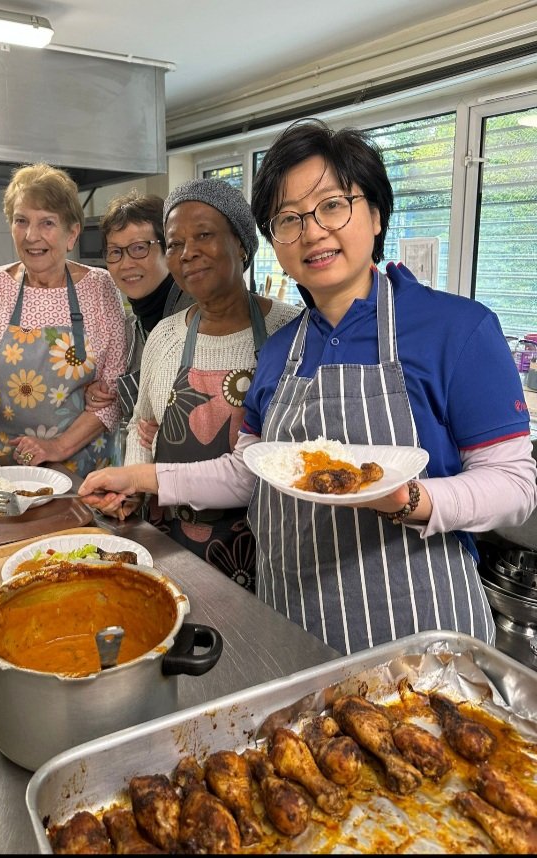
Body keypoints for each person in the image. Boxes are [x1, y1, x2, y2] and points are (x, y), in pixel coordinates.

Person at [80, 119, 537, 655]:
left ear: (376, 213)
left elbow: (515, 486)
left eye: (332, 206)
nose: (313, 232)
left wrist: (407, 498)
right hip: (290, 621)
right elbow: (245, 474)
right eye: (289, 219)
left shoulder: (456, 329)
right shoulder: (278, 351)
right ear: (274, 240)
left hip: (417, 631)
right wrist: (133, 476)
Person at [84, 178, 301, 591]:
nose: (188, 253)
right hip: (174, 544)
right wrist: (131, 486)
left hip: (266, 551)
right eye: (174, 243)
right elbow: (141, 427)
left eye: (203, 235)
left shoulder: (290, 331)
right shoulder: (165, 337)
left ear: (241, 244)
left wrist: (140, 476)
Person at [0, 163, 127, 479]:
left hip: (88, 469)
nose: (32, 236)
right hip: (10, 465)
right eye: (21, 221)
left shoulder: (100, 287)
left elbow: (114, 389)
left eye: (47, 222)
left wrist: (58, 446)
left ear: (72, 233)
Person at [84, 190, 194, 462]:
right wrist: (102, 393)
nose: (126, 264)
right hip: (149, 479)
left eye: (139, 248)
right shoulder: (132, 329)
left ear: (168, 248)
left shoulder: (196, 317)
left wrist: (177, 431)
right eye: (115, 252)